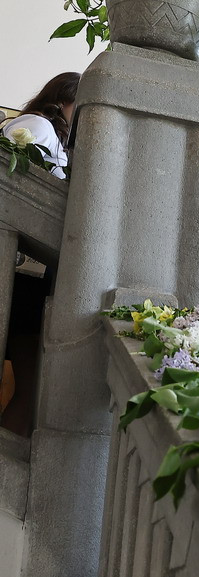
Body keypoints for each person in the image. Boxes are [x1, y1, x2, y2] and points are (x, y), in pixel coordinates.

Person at [1, 72, 79, 436]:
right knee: (29, 391)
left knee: (30, 392)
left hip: (31, 276)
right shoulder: (38, 127)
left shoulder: (53, 135)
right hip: (22, 277)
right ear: (64, 100)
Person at [1, 71, 78, 179]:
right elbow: (10, 171)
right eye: (80, 105)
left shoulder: (56, 135)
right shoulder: (40, 125)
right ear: (63, 101)